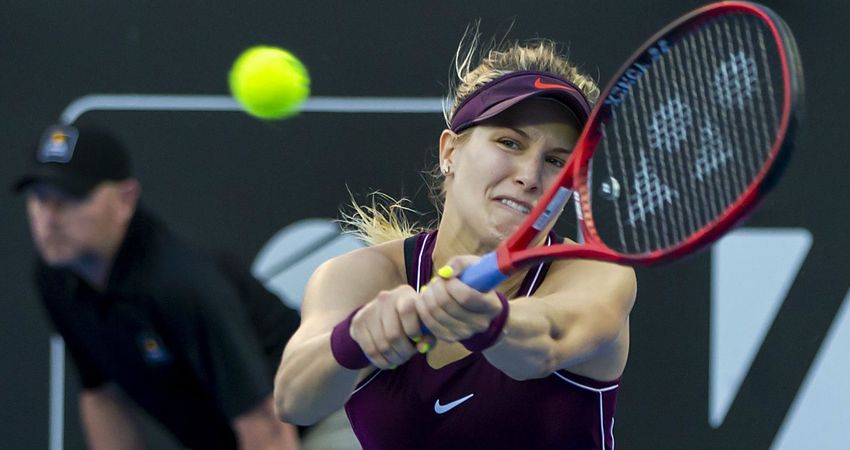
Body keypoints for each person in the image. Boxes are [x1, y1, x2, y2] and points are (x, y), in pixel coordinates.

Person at [274, 34, 637, 450]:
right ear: (450, 151)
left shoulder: (596, 275)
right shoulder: (361, 276)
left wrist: (490, 319)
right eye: (509, 142)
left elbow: (547, 342)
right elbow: (293, 400)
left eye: (556, 160)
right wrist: (355, 338)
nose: (530, 175)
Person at [14, 124, 302, 450]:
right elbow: (102, 396)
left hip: (319, 421)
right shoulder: (55, 279)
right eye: (39, 198)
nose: (49, 219)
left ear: (125, 199)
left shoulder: (179, 285)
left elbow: (266, 425)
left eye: (70, 198)